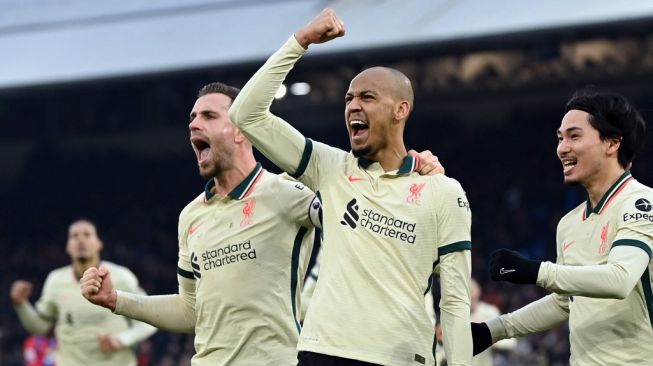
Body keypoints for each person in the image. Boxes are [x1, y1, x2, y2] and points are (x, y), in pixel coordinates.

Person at [80, 82, 444, 365]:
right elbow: (191, 311)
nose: (194, 123)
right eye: (192, 118)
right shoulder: (190, 216)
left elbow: (364, 213)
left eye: (209, 116)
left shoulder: (289, 193)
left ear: (242, 130)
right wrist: (117, 301)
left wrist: (407, 175)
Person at [229, 8, 473, 366]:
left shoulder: (443, 192)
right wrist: (302, 41)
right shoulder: (330, 168)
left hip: (401, 357)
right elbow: (246, 114)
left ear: (400, 109)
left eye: (367, 97)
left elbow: (454, 302)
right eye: (348, 99)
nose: (353, 105)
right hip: (324, 352)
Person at [472, 87, 653, 365]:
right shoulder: (569, 224)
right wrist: (493, 330)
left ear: (612, 143)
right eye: (560, 138)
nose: (562, 148)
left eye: (574, 136)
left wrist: (536, 271)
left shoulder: (642, 203)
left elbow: (620, 279)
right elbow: (564, 302)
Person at [11, 219, 156, 366]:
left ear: (99, 243)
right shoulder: (55, 281)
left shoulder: (121, 276)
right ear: (68, 246)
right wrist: (21, 305)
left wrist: (122, 340)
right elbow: (41, 328)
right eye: (74, 236)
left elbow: (150, 319)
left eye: (87, 235)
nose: (81, 239)